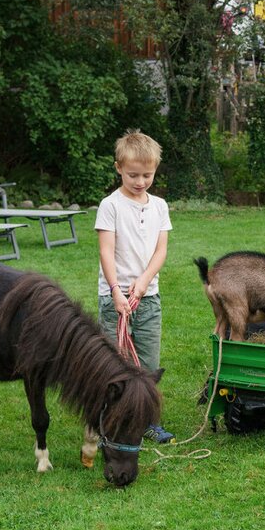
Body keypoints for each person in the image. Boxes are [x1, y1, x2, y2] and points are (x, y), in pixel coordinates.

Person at [95, 129, 173, 444]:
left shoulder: (159, 206)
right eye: (132, 175)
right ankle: (107, 424)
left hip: (147, 299)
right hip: (115, 299)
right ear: (118, 168)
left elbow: (161, 251)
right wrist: (117, 290)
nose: (140, 181)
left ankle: (147, 421)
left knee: (148, 364)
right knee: (114, 365)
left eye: (147, 175)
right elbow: (105, 250)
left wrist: (143, 283)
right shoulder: (110, 205)